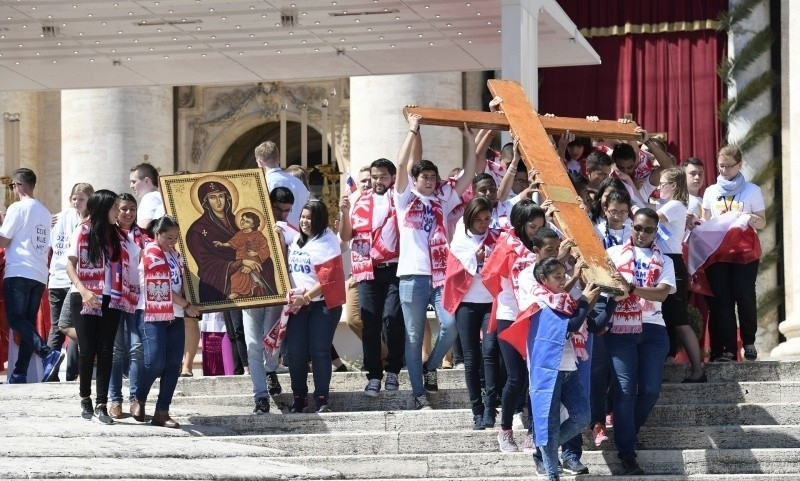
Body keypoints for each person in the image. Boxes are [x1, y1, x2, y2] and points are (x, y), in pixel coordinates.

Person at [394, 114, 477, 410]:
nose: (429, 181)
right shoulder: (404, 199)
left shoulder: (443, 198)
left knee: (451, 324)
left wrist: (469, 139)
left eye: (433, 177)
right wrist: (412, 130)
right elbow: (401, 165)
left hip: (441, 276)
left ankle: (429, 367)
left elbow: (469, 173)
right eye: (424, 177)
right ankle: (418, 393)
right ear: (415, 181)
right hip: (412, 276)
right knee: (414, 336)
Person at [605, 208, 676, 475]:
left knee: (650, 390)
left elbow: (661, 294)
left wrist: (631, 288)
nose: (641, 233)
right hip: (620, 328)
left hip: (653, 328)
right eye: (637, 227)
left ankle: (627, 432)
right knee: (624, 391)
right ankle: (627, 452)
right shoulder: (612, 254)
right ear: (630, 226)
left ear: (656, 232)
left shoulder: (665, 260)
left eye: (648, 230)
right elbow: (606, 288)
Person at [522, 258, 600, 481]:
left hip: (569, 367)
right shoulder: (539, 301)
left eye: (563, 275)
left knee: (582, 417)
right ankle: (551, 474)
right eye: (556, 277)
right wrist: (584, 300)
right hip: (548, 370)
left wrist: (606, 298)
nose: (562, 280)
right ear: (543, 279)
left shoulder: (562, 300)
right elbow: (573, 324)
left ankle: (546, 446)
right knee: (549, 423)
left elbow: (585, 319)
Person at [66, 190, 139, 424]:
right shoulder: (83, 231)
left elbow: (138, 257)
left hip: (112, 297)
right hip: (84, 296)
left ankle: (101, 403)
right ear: (103, 208)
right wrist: (84, 291)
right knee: (87, 350)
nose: (118, 211)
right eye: (115, 207)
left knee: (107, 350)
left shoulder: (120, 236)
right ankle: (85, 398)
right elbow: (70, 265)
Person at [481, 200, 543, 450]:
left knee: (535, 377)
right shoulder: (506, 244)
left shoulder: (544, 245)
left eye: (540, 226)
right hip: (510, 314)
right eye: (532, 227)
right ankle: (505, 430)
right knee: (516, 377)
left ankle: (533, 431)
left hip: (536, 313)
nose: (536, 231)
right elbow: (491, 275)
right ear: (519, 224)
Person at [339, 157, 404, 397]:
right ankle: (374, 375)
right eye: (374, 177)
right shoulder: (359, 200)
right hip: (366, 269)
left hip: (395, 267)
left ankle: (394, 369)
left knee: (392, 317)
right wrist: (344, 212)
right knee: (370, 323)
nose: (377, 181)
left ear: (392, 178)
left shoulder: (399, 198)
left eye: (382, 177)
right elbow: (346, 236)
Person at [701, 145, 766, 361]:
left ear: (739, 165)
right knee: (722, 299)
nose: (724, 170)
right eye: (721, 166)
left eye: (729, 166)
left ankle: (749, 341)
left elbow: (763, 222)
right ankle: (729, 348)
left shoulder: (752, 190)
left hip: (744, 251)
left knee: (744, 293)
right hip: (718, 251)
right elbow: (706, 222)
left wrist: (750, 218)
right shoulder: (710, 191)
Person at [134, 216, 199, 427]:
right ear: (157, 234)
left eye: (175, 238)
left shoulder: (175, 255)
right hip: (152, 313)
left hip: (175, 315)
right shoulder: (151, 252)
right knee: (155, 361)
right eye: (169, 237)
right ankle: (139, 397)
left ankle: (162, 411)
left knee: (173, 364)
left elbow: (182, 282)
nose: (172, 241)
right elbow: (161, 288)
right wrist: (187, 305)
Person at [443, 197, 500, 429]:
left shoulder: (496, 238)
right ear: (469, 219)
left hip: (490, 302)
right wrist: (474, 259)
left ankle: (490, 408)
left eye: (487, 219)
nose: (483, 224)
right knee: (471, 357)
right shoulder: (460, 241)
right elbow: (452, 271)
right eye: (478, 219)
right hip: (466, 303)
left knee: (490, 350)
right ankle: (477, 410)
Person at [0, 168, 62, 384]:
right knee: (27, 323)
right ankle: (19, 373)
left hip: (19, 270)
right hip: (39, 273)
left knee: (15, 319)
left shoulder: (17, 207)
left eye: (13, 186)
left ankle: (47, 353)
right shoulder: (45, 212)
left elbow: (4, 240)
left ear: (18, 185)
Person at [286, 200, 346, 413]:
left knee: (319, 350)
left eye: (310, 218)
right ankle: (299, 398)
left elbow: (329, 277)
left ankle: (321, 399)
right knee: (295, 352)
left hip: (323, 305)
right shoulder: (296, 239)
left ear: (319, 220)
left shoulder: (328, 241)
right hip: (298, 306)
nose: (305, 221)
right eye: (302, 217)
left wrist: (307, 297)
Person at [242, 187, 295, 415]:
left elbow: (285, 264)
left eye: (287, 210)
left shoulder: (290, 231)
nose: (282, 214)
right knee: (253, 345)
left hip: (275, 293)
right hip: (249, 292)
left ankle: (271, 370)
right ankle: (260, 396)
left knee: (272, 340)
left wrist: (280, 239)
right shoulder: (248, 228)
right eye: (278, 209)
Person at [653, 168, 704, 381]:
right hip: (663, 261)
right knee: (665, 317)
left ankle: (698, 370)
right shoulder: (670, 205)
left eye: (662, 183)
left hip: (672, 263)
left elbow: (650, 218)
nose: (659, 187)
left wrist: (633, 201)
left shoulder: (675, 205)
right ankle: (667, 359)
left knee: (680, 320)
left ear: (673, 185)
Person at [46, 182, 93, 383]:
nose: (77, 202)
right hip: (60, 278)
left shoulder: (90, 220)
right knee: (61, 326)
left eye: (81, 199)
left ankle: (72, 370)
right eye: (74, 198)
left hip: (76, 281)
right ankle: (51, 370)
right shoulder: (59, 218)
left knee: (72, 325)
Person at [109, 193, 147, 419]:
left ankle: (136, 399)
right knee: (116, 351)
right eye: (123, 209)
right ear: (116, 210)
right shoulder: (108, 235)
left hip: (138, 298)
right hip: (115, 297)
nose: (128, 213)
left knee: (137, 349)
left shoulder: (144, 236)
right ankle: (115, 400)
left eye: (132, 208)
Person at [213, 211, 275, 299]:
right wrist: (222, 244)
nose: (243, 222)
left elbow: (266, 250)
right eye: (243, 219)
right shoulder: (240, 234)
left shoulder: (258, 235)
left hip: (254, 261)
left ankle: (244, 291)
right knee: (235, 276)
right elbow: (232, 243)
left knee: (245, 274)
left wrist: (256, 253)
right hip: (241, 260)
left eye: (247, 221)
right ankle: (236, 292)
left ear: (253, 225)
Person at [256, 141, 310, 227]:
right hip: (299, 233)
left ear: (259, 161)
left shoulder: (261, 184)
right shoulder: (299, 183)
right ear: (279, 159)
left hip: (277, 233)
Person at [129, 163, 165, 229]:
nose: (131, 186)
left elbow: (144, 229)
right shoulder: (162, 197)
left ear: (146, 181)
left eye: (134, 182)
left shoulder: (149, 197)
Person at [684, 157, 705, 231]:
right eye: (693, 174)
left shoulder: (705, 201)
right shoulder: (677, 200)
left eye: (700, 174)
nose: (697, 177)